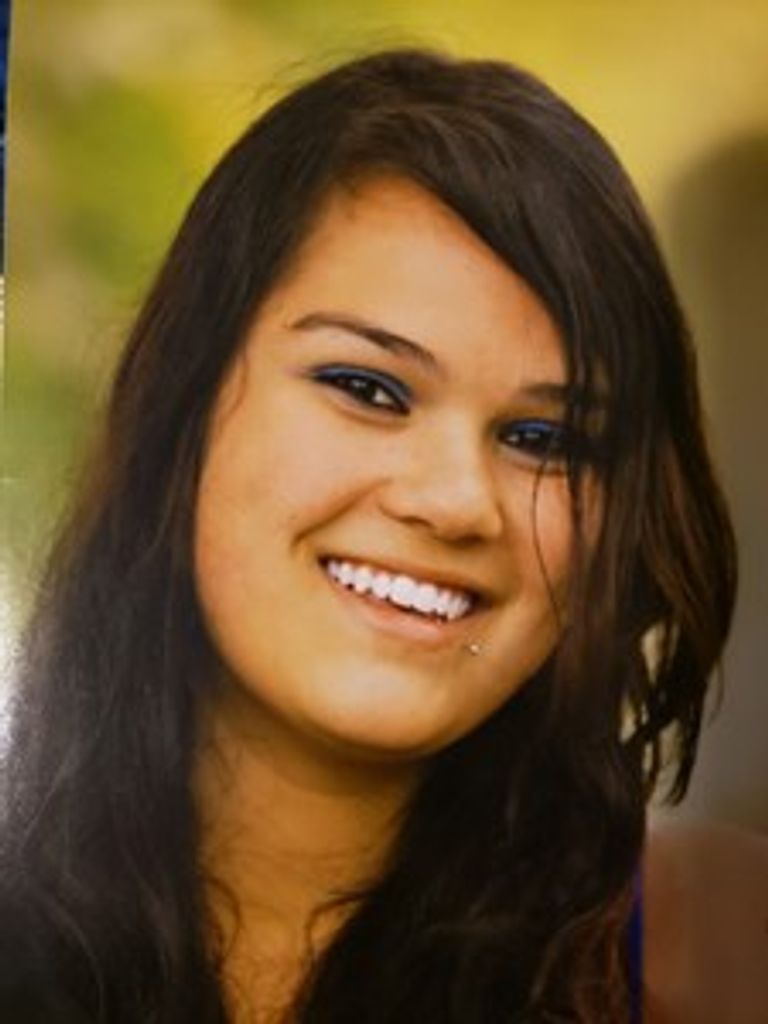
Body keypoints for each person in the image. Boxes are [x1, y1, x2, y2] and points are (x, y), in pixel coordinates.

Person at [0, 48, 743, 1023]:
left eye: (543, 440)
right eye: (366, 387)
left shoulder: (725, 954)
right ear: (185, 404)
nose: (456, 502)